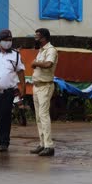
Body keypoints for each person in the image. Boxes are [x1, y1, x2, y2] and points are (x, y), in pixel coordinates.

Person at [30, 28, 58, 157]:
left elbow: (48, 64)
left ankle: (49, 146)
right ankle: (42, 144)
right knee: (38, 117)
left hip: (45, 86)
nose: (36, 39)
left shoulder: (51, 50)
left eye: (38, 37)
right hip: (37, 86)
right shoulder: (41, 51)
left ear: (44, 38)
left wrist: (36, 63)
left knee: (43, 115)